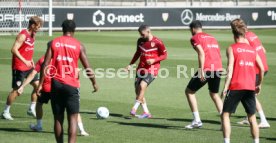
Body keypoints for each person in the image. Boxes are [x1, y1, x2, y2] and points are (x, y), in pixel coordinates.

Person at [37, 19, 98, 143]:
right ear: (74, 30)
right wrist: (94, 82)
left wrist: (40, 84)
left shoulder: (53, 43)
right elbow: (87, 67)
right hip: (72, 85)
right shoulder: (79, 45)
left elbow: (45, 64)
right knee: (73, 119)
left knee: (58, 119)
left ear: (62, 29)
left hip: (56, 85)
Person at [17, 56, 89, 136]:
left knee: (39, 103)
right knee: (73, 109)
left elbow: (33, 74)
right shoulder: (63, 58)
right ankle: (82, 130)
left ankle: (39, 125)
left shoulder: (42, 59)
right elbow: (74, 74)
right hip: (60, 88)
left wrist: (23, 86)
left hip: (46, 89)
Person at [221, 18, 264, 143]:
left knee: (225, 115)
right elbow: (261, 69)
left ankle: (226, 141)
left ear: (233, 33)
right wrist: (259, 84)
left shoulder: (232, 48)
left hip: (235, 86)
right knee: (252, 118)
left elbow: (229, 70)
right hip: (250, 87)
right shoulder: (252, 49)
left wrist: (225, 88)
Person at [1, 16, 43, 120]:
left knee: (38, 87)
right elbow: (14, 49)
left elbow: (28, 49)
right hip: (19, 66)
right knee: (17, 90)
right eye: (38, 26)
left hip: (29, 66)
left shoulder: (33, 35)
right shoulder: (22, 35)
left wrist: (31, 59)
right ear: (32, 25)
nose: (39, 28)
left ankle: (31, 108)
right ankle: (6, 111)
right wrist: (25, 60)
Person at [185, 20, 223, 129]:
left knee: (189, 91)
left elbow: (201, 53)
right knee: (214, 94)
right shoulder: (212, 37)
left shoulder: (195, 38)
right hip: (218, 68)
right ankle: (224, 121)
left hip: (207, 68)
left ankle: (197, 120)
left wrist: (201, 70)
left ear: (192, 29)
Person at [126, 24, 167, 118]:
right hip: (141, 68)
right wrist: (130, 64)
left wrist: (154, 60)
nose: (141, 36)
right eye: (140, 34)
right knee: (138, 90)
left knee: (142, 85)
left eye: (142, 34)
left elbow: (164, 55)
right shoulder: (140, 41)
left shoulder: (158, 42)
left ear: (148, 32)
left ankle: (134, 108)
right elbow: (137, 53)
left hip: (153, 69)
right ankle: (146, 112)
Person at [236, 20, 270, 128]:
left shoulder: (245, 38)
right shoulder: (253, 35)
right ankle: (248, 117)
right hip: (263, 67)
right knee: (250, 95)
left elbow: (246, 54)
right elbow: (263, 50)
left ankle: (263, 120)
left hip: (256, 69)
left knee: (250, 96)